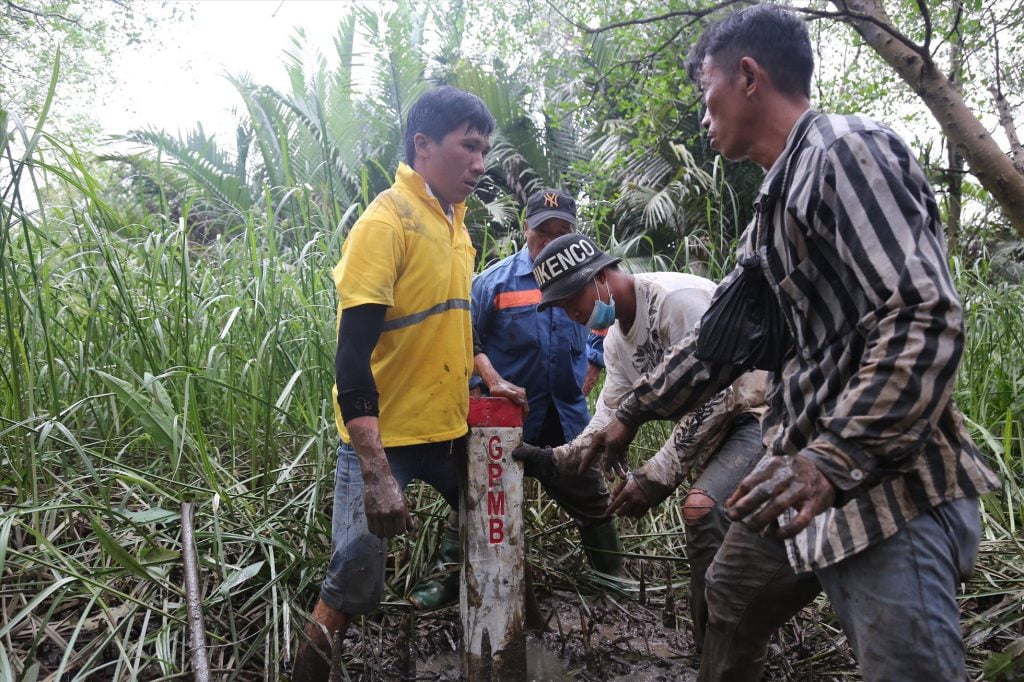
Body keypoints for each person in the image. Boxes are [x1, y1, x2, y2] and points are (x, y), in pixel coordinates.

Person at [577, 5, 1000, 680]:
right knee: (729, 595)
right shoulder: (771, 210)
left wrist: (832, 459)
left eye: (706, 94)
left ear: (749, 77)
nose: (703, 117)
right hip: (800, 477)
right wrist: (631, 411)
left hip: (888, 489)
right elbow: (719, 343)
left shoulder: (845, 152)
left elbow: (923, 318)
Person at [290, 85, 494, 681]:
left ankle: (507, 648)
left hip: (448, 432)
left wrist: (490, 376)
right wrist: (376, 471)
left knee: (494, 537)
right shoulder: (387, 222)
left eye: (485, 150)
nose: (480, 163)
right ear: (423, 145)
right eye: (469, 146)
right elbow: (351, 355)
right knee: (352, 577)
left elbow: (454, 325)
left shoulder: (457, 225)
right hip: (385, 441)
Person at [512, 233, 769, 651]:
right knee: (716, 532)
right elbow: (610, 414)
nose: (571, 313)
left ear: (599, 277)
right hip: (715, 436)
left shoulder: (676, 300)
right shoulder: (616, 340)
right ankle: (714, 648)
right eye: (560, 306)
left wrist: (656, 474)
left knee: (702, 509)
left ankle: (721, 651)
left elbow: (719, 394)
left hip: (758, 414)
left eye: (571, 299)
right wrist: (555, 459)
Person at [407, 190, 621, 610]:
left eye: (562, 231)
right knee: (478, 497)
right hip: (507, 418)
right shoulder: (495, 282)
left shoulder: (589, 278)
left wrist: (595, 361)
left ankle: (612, 576)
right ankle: (448, 577)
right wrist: (481, 382)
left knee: (591, 497)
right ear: (526, 229)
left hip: (566, 416)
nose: (552, 240)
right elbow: (464, 337)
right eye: (544, 231)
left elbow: (607, 321)